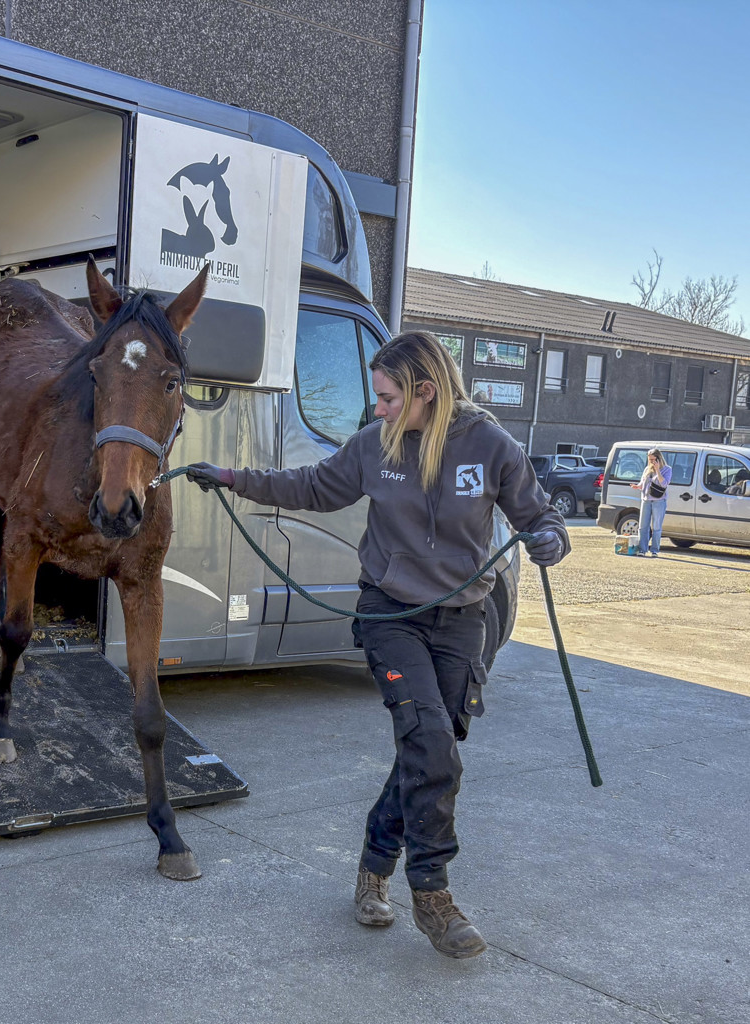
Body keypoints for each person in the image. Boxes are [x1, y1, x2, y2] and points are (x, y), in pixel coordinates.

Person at [186, 331, 568, 960]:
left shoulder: (491, 445)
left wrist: (551, 539)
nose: (378, 409)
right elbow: (309, 486)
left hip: (462, 621)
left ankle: (373, 863)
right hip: (391, 616)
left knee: (431, 750)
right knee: (429, 742)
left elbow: (539, 515)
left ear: (427, 390)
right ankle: (434, 898)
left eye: (389, 398)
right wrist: (230, 477)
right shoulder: (374, 445)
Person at [629, 449, 672, 556]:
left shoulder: (667, 469)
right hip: (646, 500)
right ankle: (642, 550)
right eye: (649, 460)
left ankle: (655, 550)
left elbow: (664, 484)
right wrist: (638, 486)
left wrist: (657, 470)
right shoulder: (647, 469)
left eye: (653, 459)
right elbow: (643, 484)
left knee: (656, 527)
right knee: (643, 526)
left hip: (659, 501)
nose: (651, 462)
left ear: (659, 458)